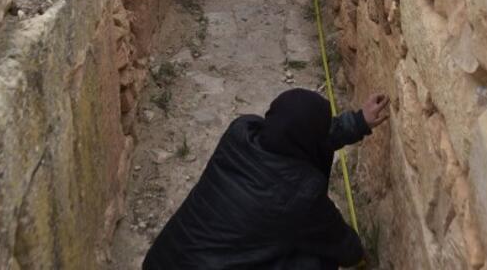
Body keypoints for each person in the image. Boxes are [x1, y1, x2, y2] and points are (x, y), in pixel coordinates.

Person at [142, 88, 390, 269]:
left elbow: (298, 133)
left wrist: (357, 122)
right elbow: (343, 247)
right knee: (317, 261)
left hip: (162, 261)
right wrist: (361, 257)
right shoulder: (302, 194)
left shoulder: (241, 133)